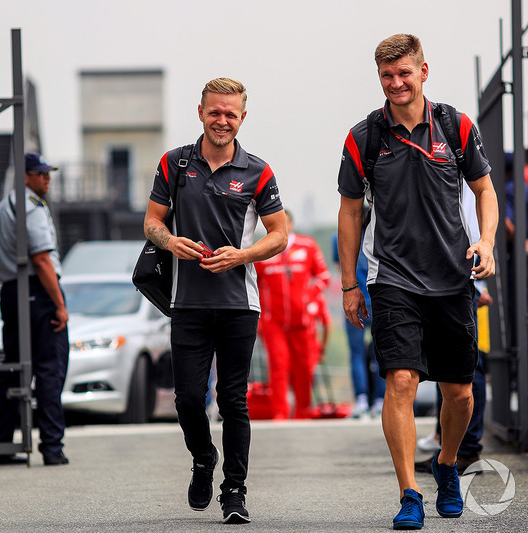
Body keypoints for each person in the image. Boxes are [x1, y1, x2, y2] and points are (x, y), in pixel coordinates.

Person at [337, 34, 498, 529]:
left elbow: (485, 189)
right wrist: (349, 284)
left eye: (404, 73)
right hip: (393, 278)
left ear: (423, 72)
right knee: (401, 380)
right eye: (387, 75)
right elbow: (349, 213)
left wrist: (486, 242)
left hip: (453, 278)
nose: (396, 83)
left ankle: (446, 464)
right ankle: (409, 492)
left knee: (460, 393)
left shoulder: (455, 126)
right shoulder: (364, 137)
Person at [143, 77, 287, 524]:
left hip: (239, 304)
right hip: (187, 302)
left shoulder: (258, 170)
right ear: (201, 112)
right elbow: (151, 222)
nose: (222, 120)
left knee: (233, 400)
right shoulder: (174, 163)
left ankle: (235, 490)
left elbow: (280, 235)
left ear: (243, 117)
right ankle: (204, 458)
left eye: (231, 113)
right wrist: (170, 242)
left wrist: (242, 255)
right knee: (187, 398)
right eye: (215, 111)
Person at [0, 151, 70, 467]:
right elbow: (42, 259)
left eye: (48, 173)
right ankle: (52, 447)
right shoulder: (30, 207)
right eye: (40, 173)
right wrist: (59, 304)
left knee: (13, 367)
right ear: (25, 177)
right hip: (37, 291)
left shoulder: (1, 208)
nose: (47, 178)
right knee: (49, 368)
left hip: (11, 291)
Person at [415, 182, 493, 475]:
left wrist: (478, 282)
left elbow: (471, 223)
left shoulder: (460, 152)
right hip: (444, 273)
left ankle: (467, 450)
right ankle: (447, 446)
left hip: (463, 274)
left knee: (469, 367)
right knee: (445, 366)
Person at [254, 211, 330, 419]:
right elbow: (254, 286)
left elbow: (323, 277)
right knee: (278, 367)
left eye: (284, 222)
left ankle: (303, 412)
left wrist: (308, 297)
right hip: (273, 321)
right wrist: (259, 318)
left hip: (303, 321)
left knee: (304, 367)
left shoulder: (308, 246)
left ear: (292, 223)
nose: (281, 226)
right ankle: (280, 412)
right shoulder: (263, 249)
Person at [331, 208, 385, 419]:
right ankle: (380, 401)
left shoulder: (339, 236)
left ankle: (362, 400)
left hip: (354, 299)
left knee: (356, 353)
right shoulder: (379, 233)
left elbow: (340, 267)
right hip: (378, 300)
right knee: (379, 353)